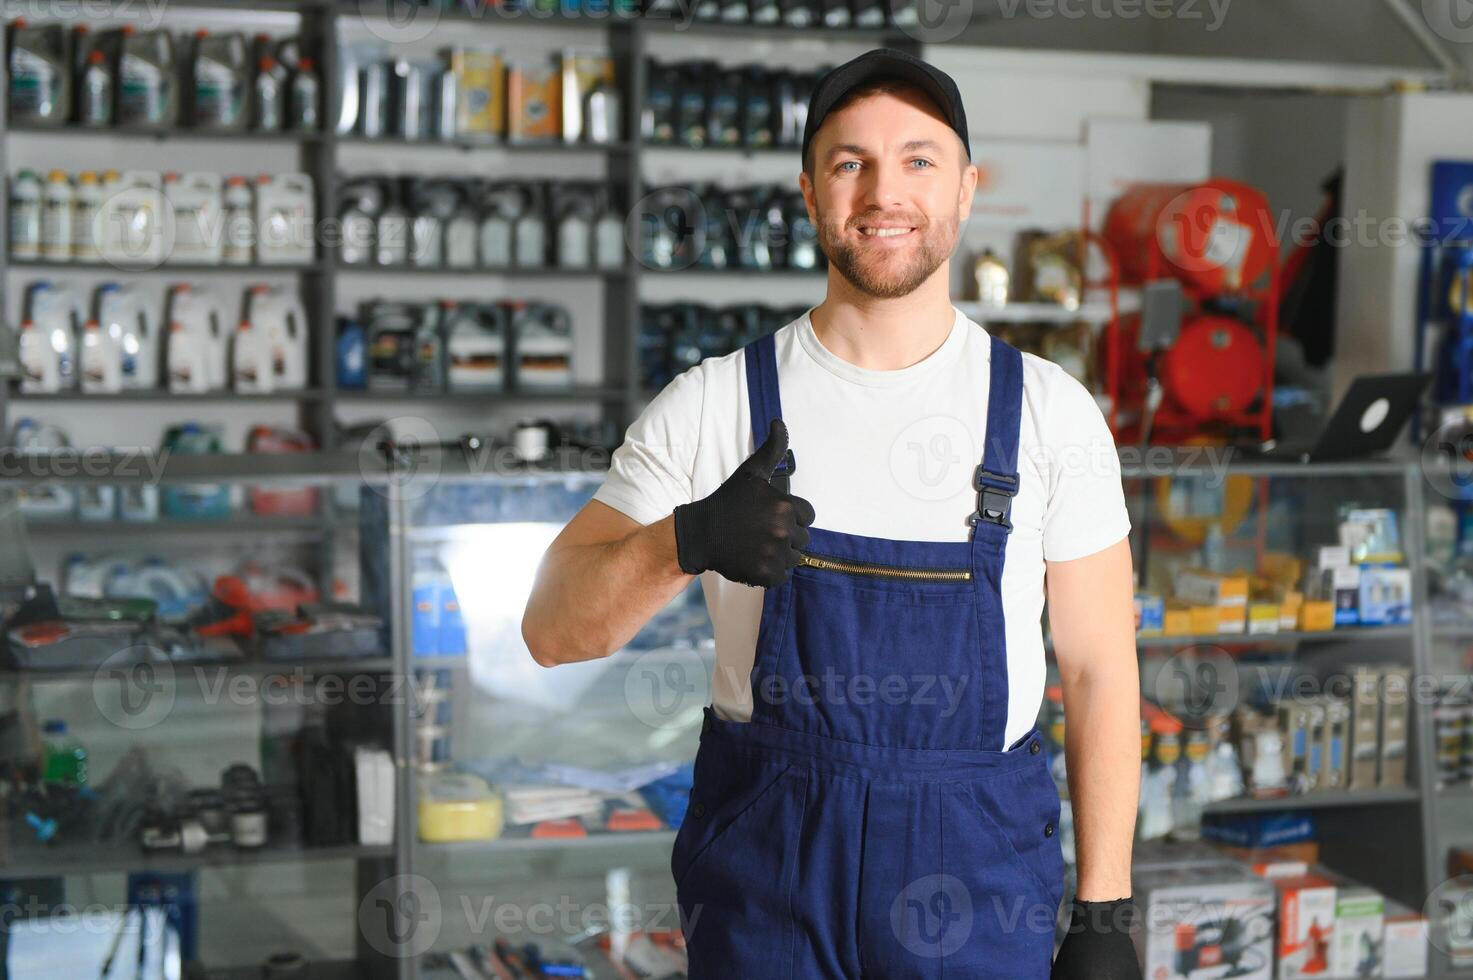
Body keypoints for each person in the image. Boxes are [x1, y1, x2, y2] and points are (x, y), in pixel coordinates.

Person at [523, 47, 1142, 980]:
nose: (883, 192)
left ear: (966, 189)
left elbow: (1100, 671)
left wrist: (1104, 911)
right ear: (810, 194)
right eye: (850, 162)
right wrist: (684, 539)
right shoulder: (715, 405)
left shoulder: (1050, 413)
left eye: (918, 160)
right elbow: (550, 629)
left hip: (974, 873)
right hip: (766, 864)